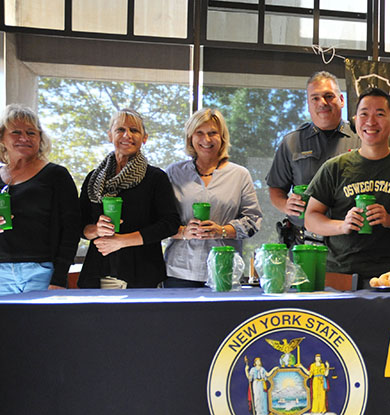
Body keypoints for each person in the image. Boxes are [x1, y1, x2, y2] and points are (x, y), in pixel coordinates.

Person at [304, 87, 390, 286]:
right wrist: (342, 225)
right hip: (337, 276)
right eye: (364, 114)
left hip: (386, 278)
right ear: (356, 120)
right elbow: (311, 218)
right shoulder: (334, 168)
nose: (371, 121)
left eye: (380, 114)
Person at [78, 108, 180, 288]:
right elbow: (79, 227)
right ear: (110, 135)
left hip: (142, 274)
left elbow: (169, 224)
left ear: (144, 138)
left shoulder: (155, 178)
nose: (127, 135)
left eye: (134, 130)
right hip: (98, 272)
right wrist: (96, 230)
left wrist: (122, 241)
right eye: (120, 130)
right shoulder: (93, 178)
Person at [164, 108, 262, 287]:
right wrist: (184, 232)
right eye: (199, 133)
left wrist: (222, 230)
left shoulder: (240, 174)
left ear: (222, 137)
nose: (206, 140)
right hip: (180, 271)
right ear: (190, 137)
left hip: (225, 271)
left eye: (212, 133)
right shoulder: (174, 173)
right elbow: (159, 222)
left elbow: (253, 221)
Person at [267, 71, 360, 247]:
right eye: (315, 98)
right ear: (308, 104)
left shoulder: (361, 138)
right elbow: (275, 189)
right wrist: (286, 205)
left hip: (350, 240)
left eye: (328, 96)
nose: (322, 103)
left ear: (341, 100)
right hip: (305, 242)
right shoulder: (292, 142)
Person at [0, 104, 80, 294]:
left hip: (42, 272)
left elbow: (72, 229)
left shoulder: (56, 175)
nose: (24, 138)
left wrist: (59, 277)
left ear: (40, 138)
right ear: (2, 137)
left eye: (31, 132)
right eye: (16, 132)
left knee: (41, 325)